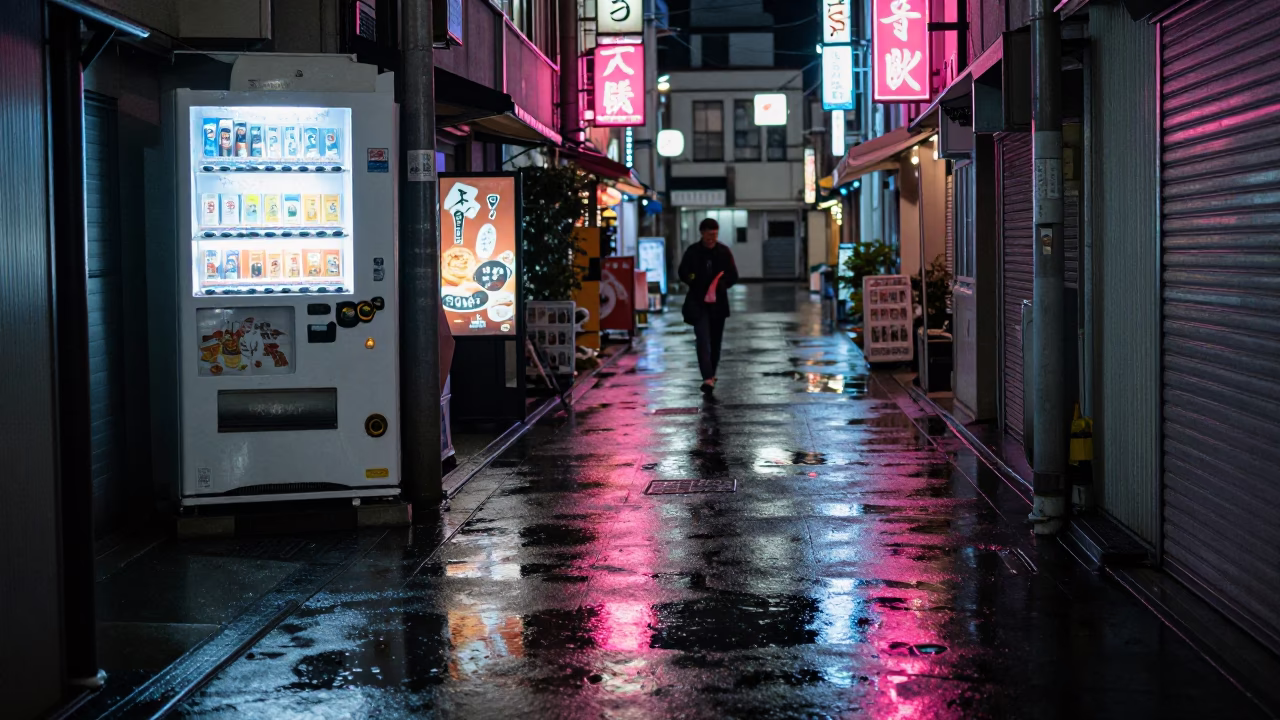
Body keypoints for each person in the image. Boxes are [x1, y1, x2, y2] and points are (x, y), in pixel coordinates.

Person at [679, 217, 739, 393]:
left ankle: (711, 374)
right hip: (698, 304)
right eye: (708, 234)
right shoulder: (693, 252)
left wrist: (722, 284)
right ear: (702, 233)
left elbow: (733, 275)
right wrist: (694, 280)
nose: (711, 238)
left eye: (714, 234)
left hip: (718, 304)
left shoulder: (723, 252)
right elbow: (683, 272)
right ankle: (707, 377)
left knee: (715, 342)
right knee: (702, 340)